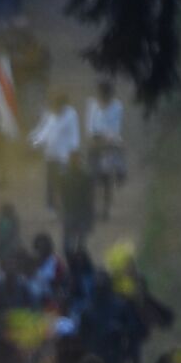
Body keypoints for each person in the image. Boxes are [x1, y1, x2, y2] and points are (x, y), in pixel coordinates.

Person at [29, 93, 80, 213]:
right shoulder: (49, 114)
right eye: (54, 106)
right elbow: (42, 132)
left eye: (58, 107)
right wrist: (34, 142)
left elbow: (75, 134)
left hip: (64, 156)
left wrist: (74, 151)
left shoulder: (71, 115)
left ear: (63, 105)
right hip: (51, 155)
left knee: (63, 182)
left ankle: (67, 205)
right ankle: (52, 207)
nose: (56, 109)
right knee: (51, 183)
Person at [85, 80, 126, 219]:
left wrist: (105, 139)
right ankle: (92, 208)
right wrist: (97, 138)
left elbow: (115, 129)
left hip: (109, 144)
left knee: (107, 180)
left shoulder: (117, 107)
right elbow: (89, 127)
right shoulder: (92, 105)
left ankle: (105, 210)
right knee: (91, 179)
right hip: (95, 143)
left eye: (105, 95)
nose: (103, 98)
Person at [59, 150, 96, 257]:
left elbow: (60, 195)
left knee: (69, 241)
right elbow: (91, 196)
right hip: (80, 211)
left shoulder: (64, 176)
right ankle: (77, 261)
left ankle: (70, 261)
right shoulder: (86, 176)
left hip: (72, 211)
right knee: (79, 242)